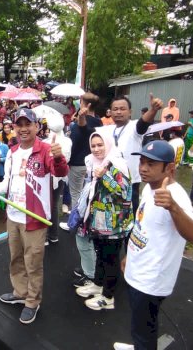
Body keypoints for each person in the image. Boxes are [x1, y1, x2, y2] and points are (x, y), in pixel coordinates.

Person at [0, 107, 68, 324]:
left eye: (28, 124)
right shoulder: (12, 152)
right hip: (13, 216)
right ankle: (20, 293)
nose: (24, 128)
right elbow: (6, 184)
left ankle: (33, 301)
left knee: (33, 262)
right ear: (14, 128)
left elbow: (60, 173)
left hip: (35, 219)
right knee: (16, 258)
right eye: (19, 124)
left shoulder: (45, 150)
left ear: (36, 126)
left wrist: (59, 157)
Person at [114, 140, 193, 350]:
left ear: (170, 168)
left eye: (151, 164)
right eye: (142, 161)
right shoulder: (149, 189)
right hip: (138, 269)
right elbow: (143, 226)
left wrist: (173, 207)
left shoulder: (175, 195)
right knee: (140, 324)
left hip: (151, 280)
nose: (143, 168)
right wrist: (129, 256)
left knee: (144, 330)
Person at [75, 133, 133, 311]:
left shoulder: (117, 165)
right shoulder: (95, 163)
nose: (96, 149)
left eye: (100, 145)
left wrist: (104, 177)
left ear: (108, 145)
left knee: (111, 260)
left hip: (115, 225)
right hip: (99, 223)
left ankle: (108, 296)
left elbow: (125, 193)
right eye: (93, 145)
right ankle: (98, 285)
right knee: (100, 255)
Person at [64, 93, 103, 286]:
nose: (96, 146)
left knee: (77, 196)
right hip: (91, 167)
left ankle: (76, 221)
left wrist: (79, 117)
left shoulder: (82, 122)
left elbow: (81, 125)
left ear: (84, 104)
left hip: (79, 165)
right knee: (83, 197)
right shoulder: (101, 124)